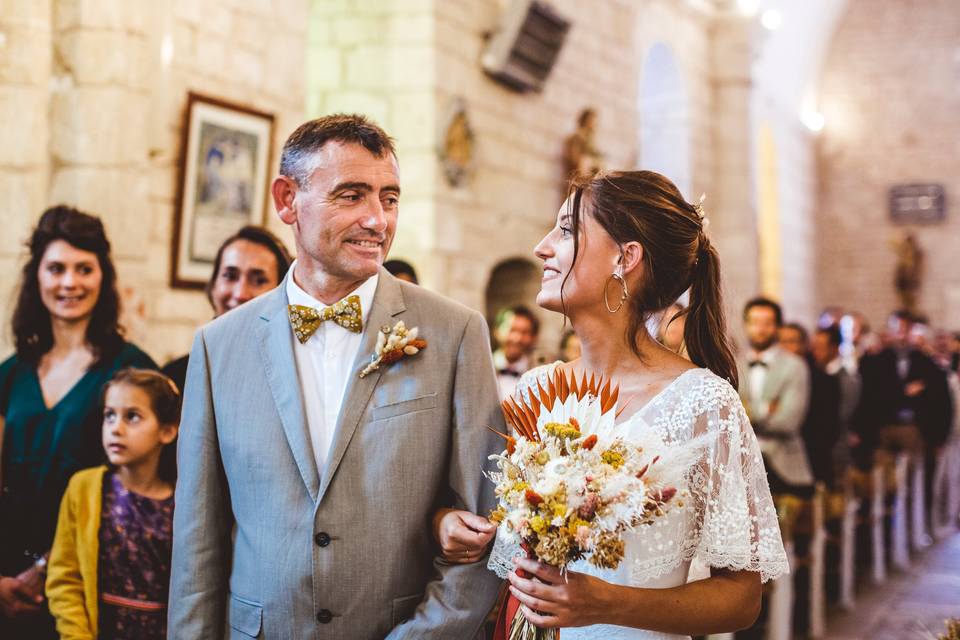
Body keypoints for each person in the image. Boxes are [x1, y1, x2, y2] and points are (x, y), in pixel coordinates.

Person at [168, 114, 503, 639]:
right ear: (287, 200)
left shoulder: (456, 333)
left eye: (389, 199)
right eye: (352, 196)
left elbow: (483, 530)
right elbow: (198, 541)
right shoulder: (218, 346)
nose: (378, 220)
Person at [436, 170, 787, 638]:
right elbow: (490, 526)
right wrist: (448, 525)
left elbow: (741, 599)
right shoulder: (532, 391)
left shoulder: (705, 402)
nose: (542, 247)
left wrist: (609, 604)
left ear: (626, 256)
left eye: (565, 231)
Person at [0, 206, 156, 638]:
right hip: (5, 579)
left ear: (102, 277)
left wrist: (46, 568)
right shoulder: (11, 373)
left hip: (87, 578)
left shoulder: (131, 371)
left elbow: (142, 489)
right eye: (56, 268)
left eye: (84, 269)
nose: (69, 282)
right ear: (38, 277)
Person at [46, 368, 179, 639]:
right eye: (109, 416)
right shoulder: (84, 488)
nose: (116, 428)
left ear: (166, 431)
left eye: (132, 416)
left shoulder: (182, 501)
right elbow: (64, 576)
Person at [161, 225, 292, 391]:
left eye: (259, 280)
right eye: (230, 276)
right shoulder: (176, 379)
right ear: (213, 286)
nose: (240, 294)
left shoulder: (294, 378)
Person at [853, 311, 952, 468]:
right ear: (890, 331)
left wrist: (939, 437)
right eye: (897, 329)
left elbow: (940, 399)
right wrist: (904, 392)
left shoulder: (926, 362)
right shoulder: (876, 361)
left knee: (914, 474)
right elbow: (870, 396)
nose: (901, 335)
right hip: (883, 425)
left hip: (914, 427)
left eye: (906, 330)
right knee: (883, 474)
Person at [737, 298, 814, 497]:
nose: (760, 329)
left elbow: (788, 421)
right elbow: (725, 418)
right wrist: (765, 410)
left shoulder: (795, 366)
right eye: (755, 323)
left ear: (777, 327)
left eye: (767, 323)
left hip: (782, 465)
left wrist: (746, 415)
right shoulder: (733, 365)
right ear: (746, 325)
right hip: (739, 462)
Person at [810, 326, 860, 485]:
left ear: (834, 348)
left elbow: (844, 412)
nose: (816, 352)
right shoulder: (812, 372)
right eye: (814, 347)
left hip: (837, 445)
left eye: (820, 347)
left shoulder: (847, 379)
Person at [492, 305, 540, 400]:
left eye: (525, 332)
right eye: (512, 330)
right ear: (497, 331)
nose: (517, 338)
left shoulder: (540, 372)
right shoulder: (482, 366)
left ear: (534, 337)